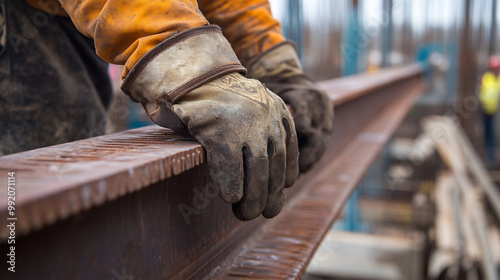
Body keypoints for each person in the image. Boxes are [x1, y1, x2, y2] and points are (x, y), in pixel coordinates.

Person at [0, 0, 333, 220]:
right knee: (23, 212)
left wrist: (272, 62)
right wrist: (193, 67)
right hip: (21, 21)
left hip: (72, 23)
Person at [479, 55, 500, 168]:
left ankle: (492, 157)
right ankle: (489, 156)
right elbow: (482, 92)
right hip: (487, 111)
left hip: (497, 113)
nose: (495, 69)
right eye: (494, 67)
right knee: (488, 133)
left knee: (493, 134)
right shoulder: (486, 77)